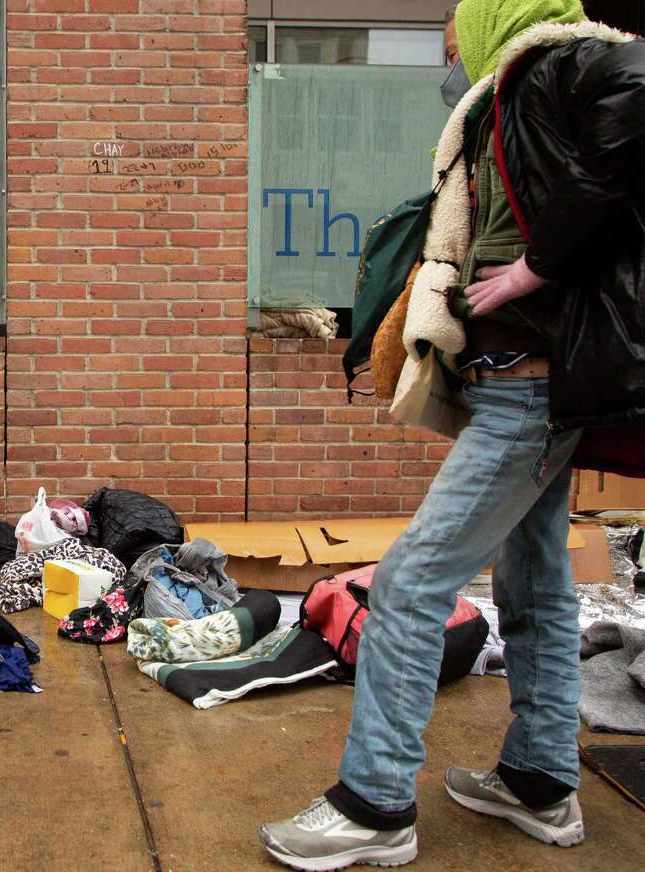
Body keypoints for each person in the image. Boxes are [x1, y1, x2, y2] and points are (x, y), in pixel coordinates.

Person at [260, 1, 645, 869]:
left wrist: (533, 271)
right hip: (529, 386)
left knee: (406, 585)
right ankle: (541, 785)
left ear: (490, 26)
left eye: (449, 47)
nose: (449, 66)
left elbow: (640, 86)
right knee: (539, 588)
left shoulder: (549, 66)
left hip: (530, 391)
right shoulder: (522, 99)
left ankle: (374, 806)